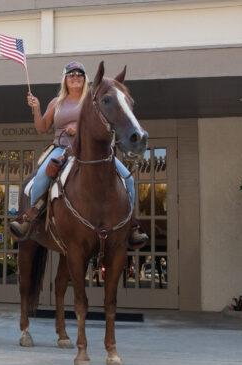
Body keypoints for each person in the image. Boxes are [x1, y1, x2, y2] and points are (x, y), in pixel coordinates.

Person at [9, 61, 148, 247]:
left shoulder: (91, 100)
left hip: (90, 151)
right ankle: (30, 219)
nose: (75, 77)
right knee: (42, 176)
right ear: (65, 79)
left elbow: (100, 121)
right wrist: (36, 108)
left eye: (79, 74)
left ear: (85, 79)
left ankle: (131, 226)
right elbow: (42, 128)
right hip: (61, 148)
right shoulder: (56, 102)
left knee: (128, 180)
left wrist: (80, 128)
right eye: (71, 74)